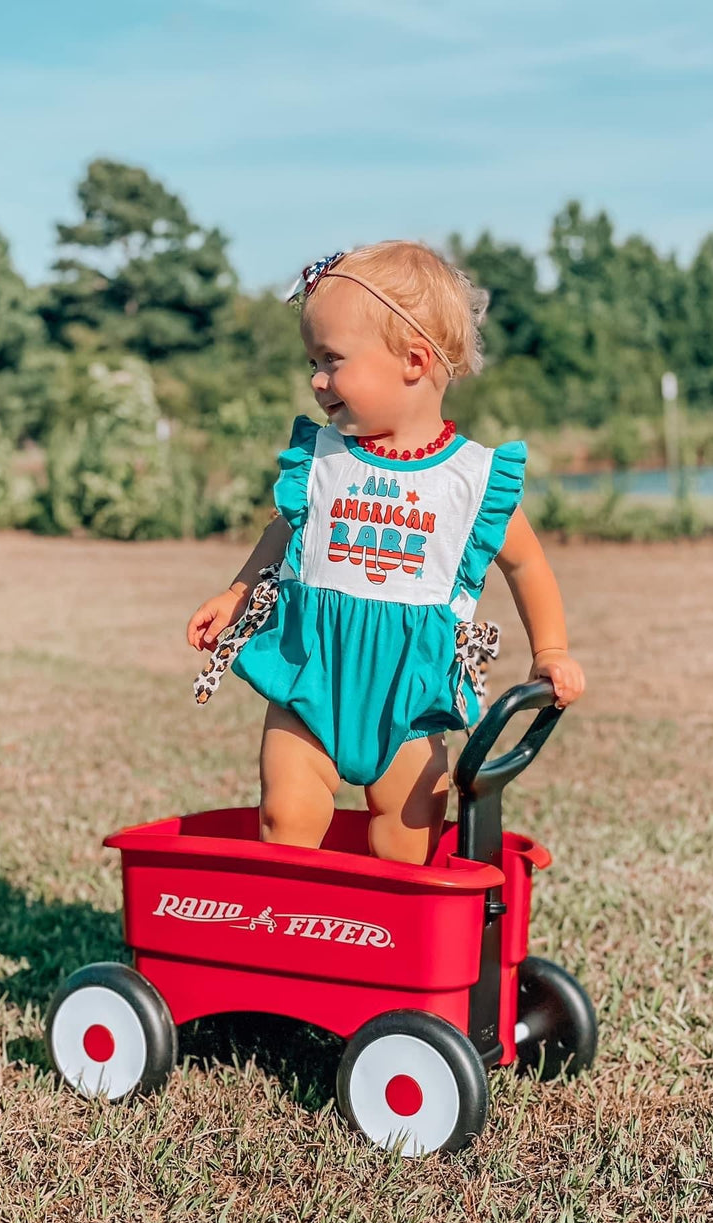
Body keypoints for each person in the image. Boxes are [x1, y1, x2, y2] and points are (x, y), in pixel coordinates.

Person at [187, 241, 584, 866]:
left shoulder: (470, 480)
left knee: (408, 826)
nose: (316, 379)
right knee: (286, 811)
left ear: (414, 361)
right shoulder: (322, 458)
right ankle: (291, 930)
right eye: (312, 361)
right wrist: (237, 594)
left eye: (332, 360)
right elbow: (283, 535)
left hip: (410, 688)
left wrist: (551, 652)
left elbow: (527, 565)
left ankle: (387, 938)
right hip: (310, 671)